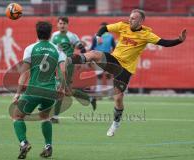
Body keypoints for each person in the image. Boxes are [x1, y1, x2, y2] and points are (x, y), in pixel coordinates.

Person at [67, 9, 187, 137]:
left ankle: (116, 122)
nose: (130, 20)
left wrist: (179, 40)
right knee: (94, 54)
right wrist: (98, 36)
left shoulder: (147, 34)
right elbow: (105, 28)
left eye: (133, 18)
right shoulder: (123, 25)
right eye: (130, 17)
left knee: (118, 98)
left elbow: (164, 43)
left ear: (141, 21)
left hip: (125, 69)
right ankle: (70, 61)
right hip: (114, 61)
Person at [12, 21, 67, 159]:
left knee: (17, 116)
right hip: (50, 92)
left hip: (33, 90)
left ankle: (24, 143)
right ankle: (48, 146)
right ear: (50, 34)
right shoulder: (58, 50)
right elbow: (63, 71)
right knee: (45, 117)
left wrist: (18, 93)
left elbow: (24, 73)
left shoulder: (30, 48)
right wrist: (62, 88)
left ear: (37, 32)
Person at [50, 16, 96, 123]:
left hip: (68, 65)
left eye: (64, 24)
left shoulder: (72, 36)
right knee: (67, 91)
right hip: (57, 64)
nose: (62, 25)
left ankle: (54, 117)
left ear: (67, 25)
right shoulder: (54, 36)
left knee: (59, 89)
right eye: (60, 23)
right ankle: (89, 98)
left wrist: (86, 58)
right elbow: (51, 48)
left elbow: (81, 48)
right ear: (57, 25)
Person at [90, 22, 116, 100]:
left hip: (107, 58)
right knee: (100, 76)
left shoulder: (110, 37)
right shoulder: (95, 37)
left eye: (103, 28)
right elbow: (93, 47)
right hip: (98, 59)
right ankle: (100, 94)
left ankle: (109, 94)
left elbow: (114, 47)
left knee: (107, 76)